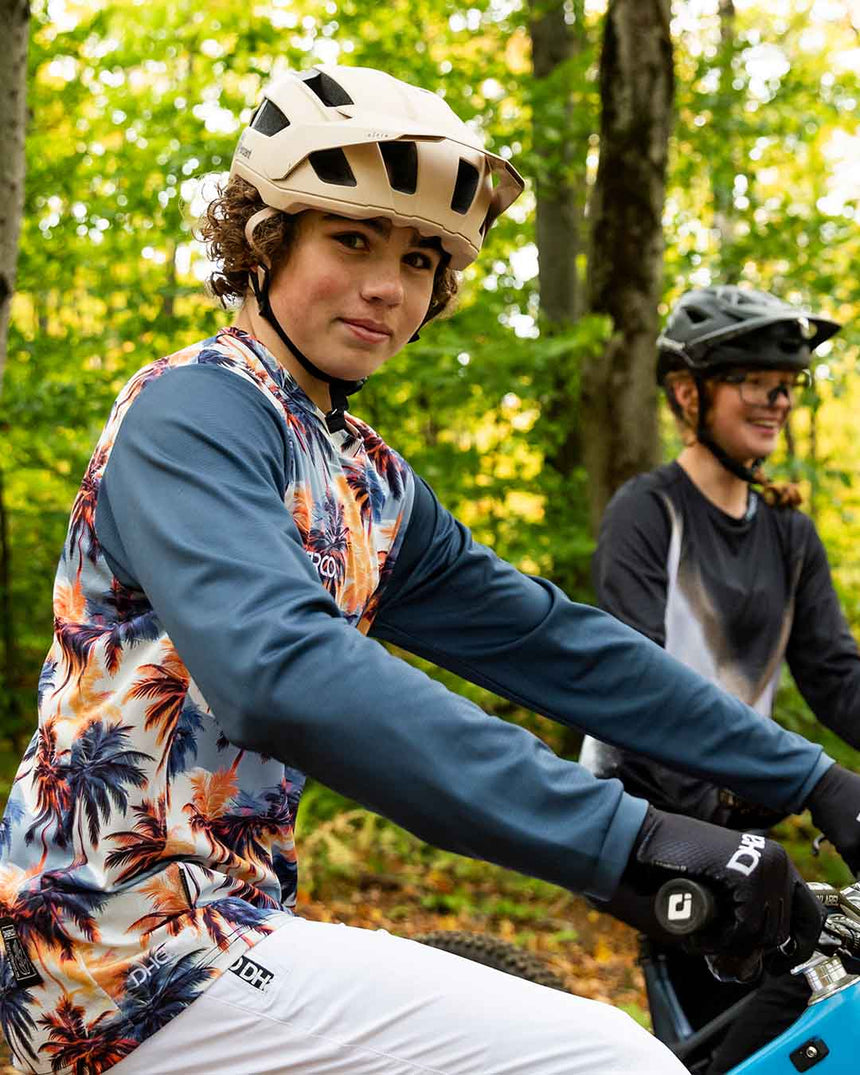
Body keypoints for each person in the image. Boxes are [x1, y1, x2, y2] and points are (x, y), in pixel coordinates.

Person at [1, 66, 860, 1075]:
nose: (386, 288)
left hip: (229, 932)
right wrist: (631, 843)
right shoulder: (195, 411)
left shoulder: (366, 478)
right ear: (264, 242)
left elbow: (553, 644)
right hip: (114, 948)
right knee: (609, 1060)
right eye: (351, 240)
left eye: (419, 258)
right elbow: (286, 672)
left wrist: (810, 776)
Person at [580, 284, 860, 1071]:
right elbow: (630, 682)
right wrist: (726, 802)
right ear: (686, 390)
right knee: (774, 1014)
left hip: (744, 818)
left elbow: (837, 678)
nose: (776, 400)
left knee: (812, 1004)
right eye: (755, 380)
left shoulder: (787, 532)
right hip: (649, 816)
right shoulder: (650, 513)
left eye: (788, 384)